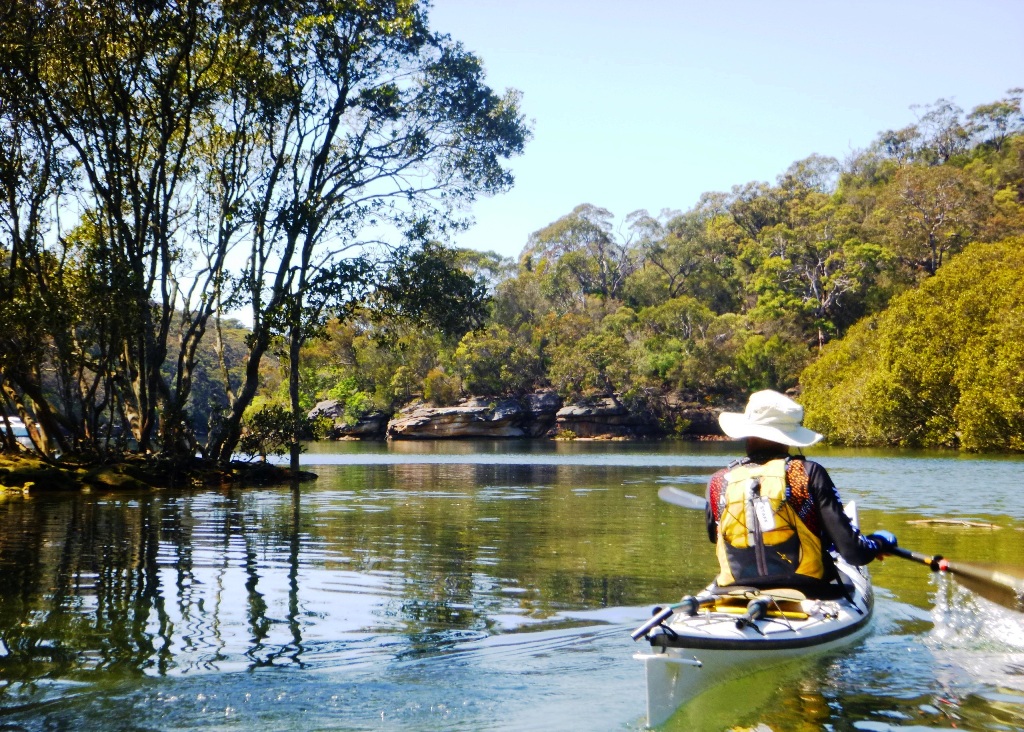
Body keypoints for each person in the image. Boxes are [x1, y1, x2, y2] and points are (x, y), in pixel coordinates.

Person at [705, 389, 896, 598]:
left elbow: (717, 538)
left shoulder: (719, 481)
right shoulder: (808, 473)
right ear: (788, 438)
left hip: (734, 589)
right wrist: (878, 542)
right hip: (806, 590)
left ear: (748, 434)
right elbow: (853, 552)